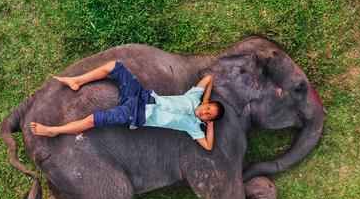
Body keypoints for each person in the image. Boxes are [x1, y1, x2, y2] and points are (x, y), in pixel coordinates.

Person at [30, 60, 224, 151]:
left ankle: (54, 131)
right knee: (115, 66)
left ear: (206, 120)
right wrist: (205, 100)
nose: (204, 112)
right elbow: (208, 79)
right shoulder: (193, 97)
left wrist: (211, 125)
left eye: (208, 115)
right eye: (208, 109)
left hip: (136, 114)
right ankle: (78, 81)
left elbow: (208, 146)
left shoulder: (193, 126)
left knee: (92, 120)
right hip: (140, 95)